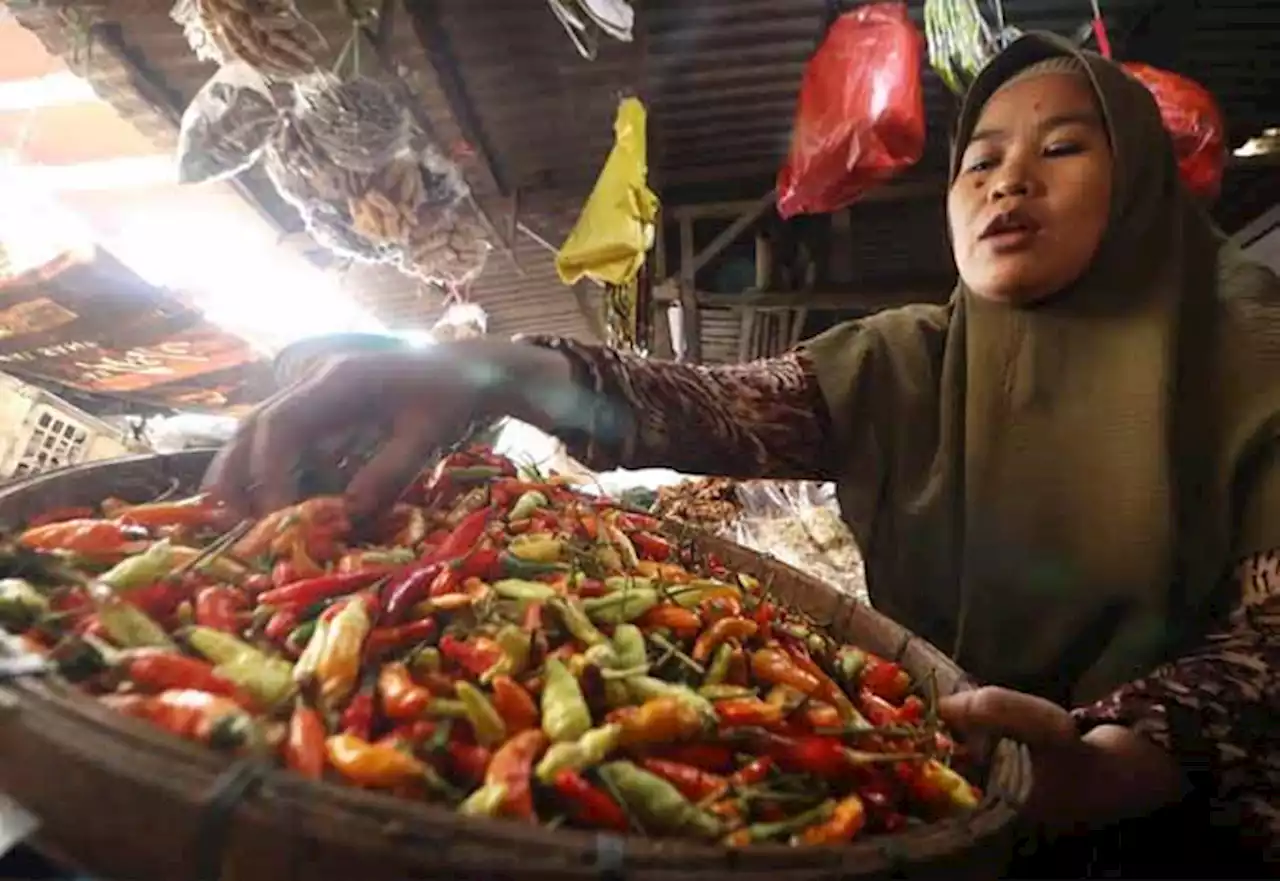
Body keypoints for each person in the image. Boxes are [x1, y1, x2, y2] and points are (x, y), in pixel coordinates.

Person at [206, 34, 1279, 875]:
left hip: (1173, 827)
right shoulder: (911, 358)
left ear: (1139, 179)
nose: (1004, 183)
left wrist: (1112, 762)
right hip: (934, 794)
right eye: (979, 160)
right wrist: (494, 370)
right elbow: (714, 405)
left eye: (1059, 147)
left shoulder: (1250, 362)